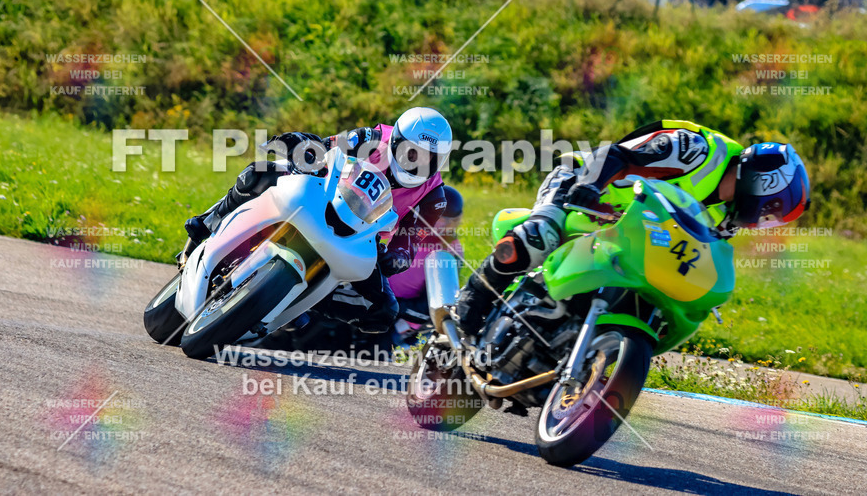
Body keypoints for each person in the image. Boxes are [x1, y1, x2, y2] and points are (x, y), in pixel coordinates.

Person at [455, 119, 811, 336]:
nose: (765, 219)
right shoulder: (697, 151)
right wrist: (588, 187)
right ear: (763, 181)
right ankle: (472, 300)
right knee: (540, 235)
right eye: (772, 208)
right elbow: (617, 155)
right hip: (583, 185)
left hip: (620, 229)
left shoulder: (722, 218)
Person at [184, 107, 454, 334]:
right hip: (318, 199)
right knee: (259, 172)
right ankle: (206, 223)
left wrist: (397, 257)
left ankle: (302, 301)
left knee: (383, 312)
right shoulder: (369, 138)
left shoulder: (434, 198)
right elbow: (323, 148)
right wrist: (298, 144)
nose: (416, 162)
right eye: (411, 151)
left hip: (360, 240)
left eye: (427, 157)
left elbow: (410, 242)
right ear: (395, 141)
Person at [387, 185, 465, 341]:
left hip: (405, 316)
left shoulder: (449, 251)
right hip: (380, 295)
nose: (441, 226)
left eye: (447, 222)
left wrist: (396, 306)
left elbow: (432, 302)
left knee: (379, 343)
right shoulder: (408, 230)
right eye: (436, 219)